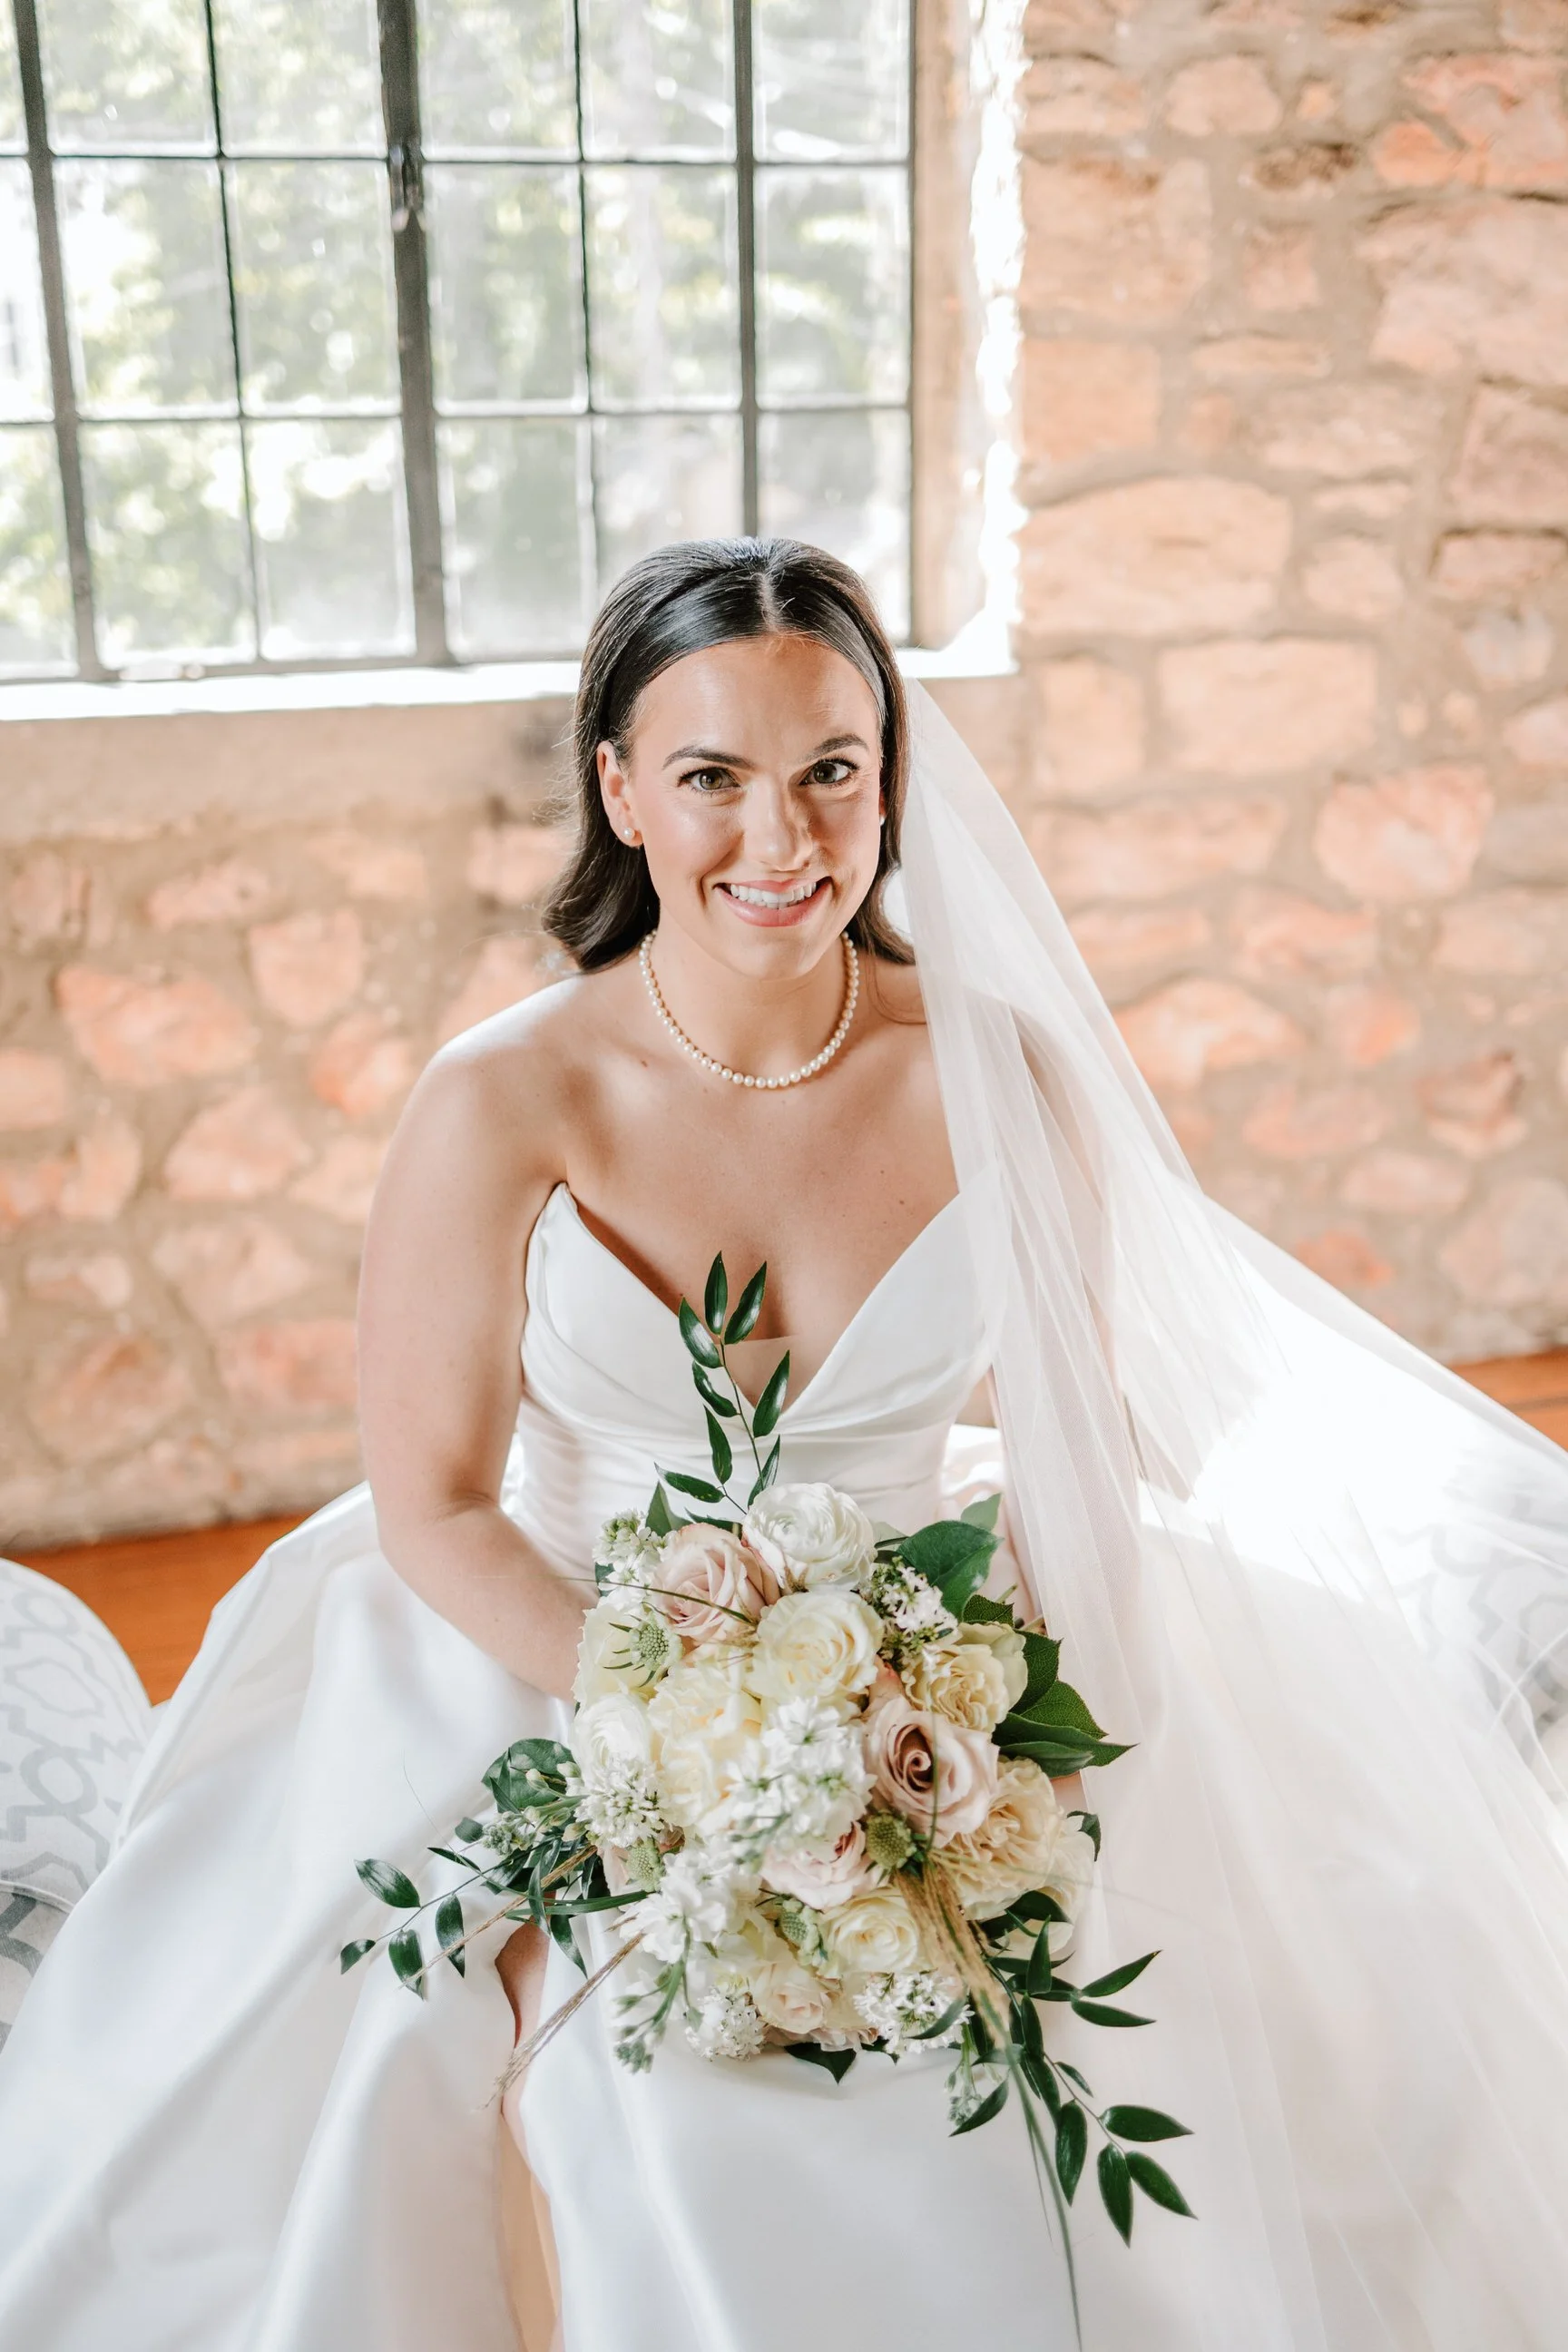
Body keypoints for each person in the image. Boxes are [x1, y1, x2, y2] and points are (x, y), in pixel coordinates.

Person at [1, 536, 1567, 2352]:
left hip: (945, 1674)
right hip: (553, 1650)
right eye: (713, 780)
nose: (785, 841)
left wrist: (1003, 1769)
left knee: (1192, 2031)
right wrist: (691, 1732)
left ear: (893, 770)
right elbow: (432, 1506)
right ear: (619, 790)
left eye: (834, 769)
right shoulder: (507, 1096)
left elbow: (1074, 1474)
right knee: (615, 2097)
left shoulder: (1002, 1073)